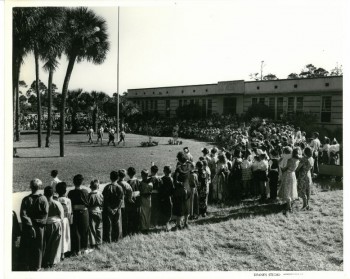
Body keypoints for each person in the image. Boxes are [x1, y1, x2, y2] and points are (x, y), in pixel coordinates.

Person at [19, 179, 48, 271]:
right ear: (40, 187)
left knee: (27, 246)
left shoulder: (26, 199)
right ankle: (37, 266)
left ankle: (27, 264)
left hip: (28, 227)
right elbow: (45, 213)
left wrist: (30, 225)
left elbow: (23, 214)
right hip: (39, 226)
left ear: (30, 187)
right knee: (39, 247)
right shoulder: (43, 199)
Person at [68, 174, 92, 255]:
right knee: (84, 230)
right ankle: (84, 248)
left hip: (74, 212)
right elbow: (88, 203)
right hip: (83, 212)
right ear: (82, 182)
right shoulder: (85, 191)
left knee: (76, 231)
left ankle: (77, 249)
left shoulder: (71, 192)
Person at [42, 186, 64, 268]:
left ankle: (46, 260)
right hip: (55, 223)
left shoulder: (43, 203)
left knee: (46, 243)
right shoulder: (57, 203)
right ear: (52, 194)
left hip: (45, 224)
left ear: (44, 194)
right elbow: (61, 216)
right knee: (55, 243)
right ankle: (53, 261)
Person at [278, 147, 301, 215]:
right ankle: (289, 204)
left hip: (287, 175)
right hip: (293, 174)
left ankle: (289, 207)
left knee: (287, 190)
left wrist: (281, 167)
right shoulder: (298, 160)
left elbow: (284, 169)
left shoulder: (290, 160)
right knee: (291, 189)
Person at [102, 171, 124, 242]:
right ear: (117, 178)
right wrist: (116, 209)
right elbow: (121, 200)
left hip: (108, 209)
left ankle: (108, 239)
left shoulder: (106, 187)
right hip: (117, 209)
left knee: (108, 224)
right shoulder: (119, 187)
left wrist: (109, 208)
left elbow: (104, 200)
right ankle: (116, 239)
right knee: (117, 223)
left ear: (110, 178)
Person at [56, 182, 72, 260]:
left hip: (59, 219)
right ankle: (64, 252)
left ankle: (60, 252)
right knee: (65, 236)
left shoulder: (56, 200)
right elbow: (69, 212)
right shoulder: (68, 200)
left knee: (60, 236)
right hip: (65, 220)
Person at [116, 169, 133, 237]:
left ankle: (119, 233)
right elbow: (130, 191)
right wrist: (129, 198)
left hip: (118, 202)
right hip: (125, 202)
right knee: (125, 218)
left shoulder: (117, 183)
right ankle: (125, 233)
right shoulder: (126, 184)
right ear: (125, 176)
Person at [88, 180, 104, 249]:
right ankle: (99, 242)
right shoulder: (100, 194)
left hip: (91, 211)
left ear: (90, 187)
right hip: (99, 211)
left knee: (92, 228)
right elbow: (102, 202)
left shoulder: (89, 195)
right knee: (99, 227)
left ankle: (93, 243)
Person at [159, 166, 174, 231]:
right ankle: (167, 224)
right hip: (169, 197)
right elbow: (172, 189)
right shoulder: (171, 179)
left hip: (163, 197)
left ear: (164, 171)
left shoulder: (161, 179)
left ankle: (164, 224)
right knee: (169, 211)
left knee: (163, 211)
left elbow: (160, 189)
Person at [126, 167, 141, 234]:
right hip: (137, 200)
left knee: (131, 216)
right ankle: (137, 229)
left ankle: (131, 230)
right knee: (137, 215)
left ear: (128, 174)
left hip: (131, 200)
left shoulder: (128, 182)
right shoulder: (138, 181)